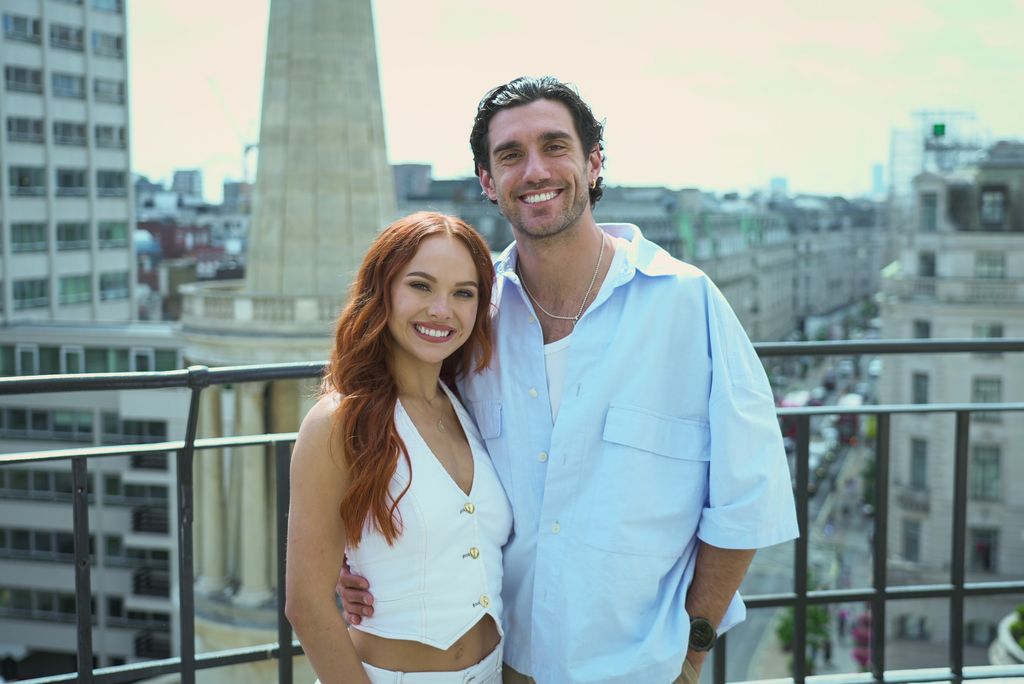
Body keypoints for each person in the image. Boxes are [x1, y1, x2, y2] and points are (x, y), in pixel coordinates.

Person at [341, 77, 800, 684]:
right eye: (510, 155)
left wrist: (690, 655)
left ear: (593, 161)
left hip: (644, 671)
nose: (535, 170)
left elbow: (747, 500)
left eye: (554, 146)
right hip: (501, 667)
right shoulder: (469, 319)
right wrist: (365, 562)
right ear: (487, 181)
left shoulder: (688, 304)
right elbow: (404, 441)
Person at [286, 212, 511, 683]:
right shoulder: (337, 422)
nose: (441, 309)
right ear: (381, 291)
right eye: (421, 286)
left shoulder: (469, 405)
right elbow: (306, 605)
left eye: (463, 293)